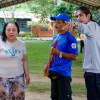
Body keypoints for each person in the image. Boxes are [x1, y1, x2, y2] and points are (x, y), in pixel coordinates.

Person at [67, 6, 100, 100]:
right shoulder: (92, 29)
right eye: (77, 16)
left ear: (88, 16)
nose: (78, 18)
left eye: (81, 15)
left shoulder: (92, 25)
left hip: (94, 72)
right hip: (93, 71)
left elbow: (82, 27)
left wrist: (74, 24)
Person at [44, 13, 78, 100]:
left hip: (63, 75)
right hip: (53, 72)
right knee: (54, 98)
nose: (56, 25)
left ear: (66, 24)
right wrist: (48, 65)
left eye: (59, 22)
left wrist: (59, 53)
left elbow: (74, 57)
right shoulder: (56, 37)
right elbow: (52, 53)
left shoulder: (70, 38)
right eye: (56, 22)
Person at [0, 21, 30, 100]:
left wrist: (27, 75)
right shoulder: (0, 43)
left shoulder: (21, 44)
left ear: (17, 31)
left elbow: (24, 60)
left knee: (18, 98)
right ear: (5, 31)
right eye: (8, 30)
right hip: (2, 78)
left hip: (18, 78)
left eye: (14, 30)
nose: (11, 32)